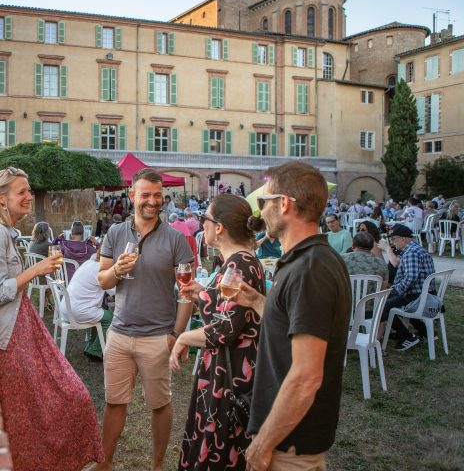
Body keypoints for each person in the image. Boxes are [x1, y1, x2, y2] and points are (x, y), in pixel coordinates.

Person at [0, 167, 104, 470]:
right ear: (1, 199)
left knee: (33, 414)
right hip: (8, 336)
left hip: (20, 327)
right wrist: (35, 270)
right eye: (22, 191)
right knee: (60, 402)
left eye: (29, 190)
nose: (29, 196)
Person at [234, 161, 351, 470]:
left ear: (283, 204)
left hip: (289, 443)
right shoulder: (310, 259)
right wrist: (258, 301)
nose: (259, 211)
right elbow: (291, 323)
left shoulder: (310, 269)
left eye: (263, 201)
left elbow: (306, 376)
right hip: (290, 437)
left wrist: (262, 443)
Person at [93, 168, 194, 471]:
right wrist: (117, 272)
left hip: (157, 336)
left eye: (158, 195)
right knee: (114, 402)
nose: (152, 201)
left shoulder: (176, 239)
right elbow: (103, 281)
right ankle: (106, 462)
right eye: (146, 195)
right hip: (121, 334)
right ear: (133, 195)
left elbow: (187, 292)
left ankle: (157, 466)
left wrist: (175, 334)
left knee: (160, 405)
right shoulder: (115, 233)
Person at [169, 194, 266, 470]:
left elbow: (224, 329)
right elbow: (232, 311)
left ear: (219, 227)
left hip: (230, 375)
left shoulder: (239, 264)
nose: (203, 225)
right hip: (227, 369)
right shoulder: (239, 260)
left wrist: (183, 338)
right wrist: (203, 295)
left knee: (218, 449)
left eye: (205, 219)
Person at [377, 224, 436, 351]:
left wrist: (396, 290)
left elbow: (411, 278)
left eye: (394, 239)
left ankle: (407, 337)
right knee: (395, 300)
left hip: (419, 296)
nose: (392, 243)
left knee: (383, 306)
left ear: (403, 239)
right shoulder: (415, 249)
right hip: (426, 294)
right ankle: (426, 332)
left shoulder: (411, 253)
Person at [66, 246, 115, 361]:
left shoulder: (88, 262)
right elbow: (114, 291)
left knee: (102, 309)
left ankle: (91, 346)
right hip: (78, 311)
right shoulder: (99, 269)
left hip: (68, 308)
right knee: (111, 318)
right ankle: (95, 351)